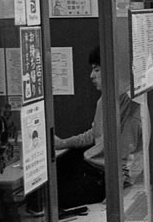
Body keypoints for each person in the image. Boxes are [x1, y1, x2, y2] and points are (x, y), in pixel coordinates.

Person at [51, 47, 143, 211]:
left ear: (113, 71)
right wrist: (62, 143)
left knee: (56, 201)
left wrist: (115, 191)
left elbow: (126, 154)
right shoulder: (105, 100)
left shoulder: (131, 106)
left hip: (106, 175)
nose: (91, 76)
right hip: (93, 165)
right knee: (51, 181)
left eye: (97, 70)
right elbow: (95, 134)